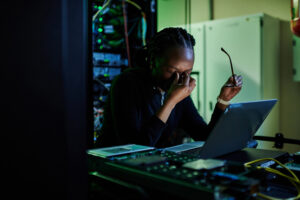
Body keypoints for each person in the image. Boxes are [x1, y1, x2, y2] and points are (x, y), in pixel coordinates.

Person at [95, 27, 243, 148]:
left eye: (188, 72)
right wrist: (170, 102)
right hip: (112, 172)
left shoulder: (178, 91)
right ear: (152, 61)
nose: (181, 80)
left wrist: (223, 101)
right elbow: (135, 149)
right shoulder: (127, 83)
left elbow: (204, 136)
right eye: (173, 71)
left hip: (148, 169)